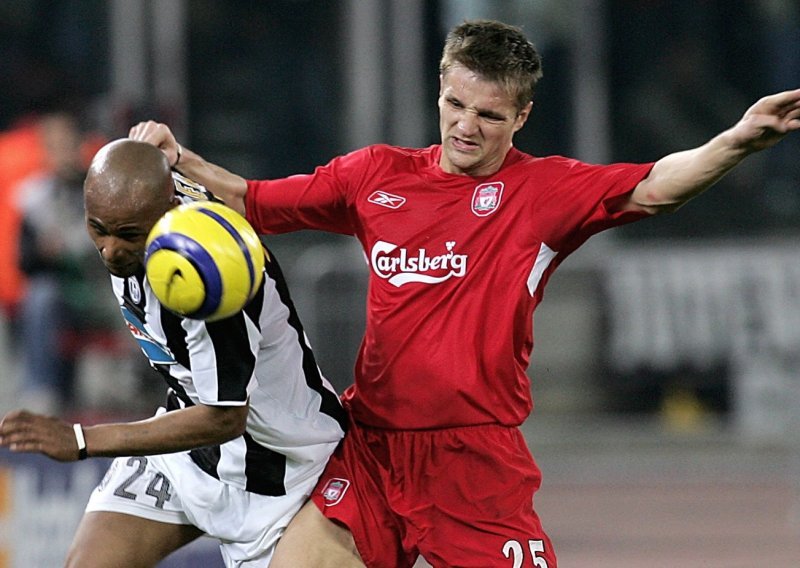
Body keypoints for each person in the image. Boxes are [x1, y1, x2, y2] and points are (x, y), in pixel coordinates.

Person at [129, 19, 800, 568]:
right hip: (374, 449)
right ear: (440, 90)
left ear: (521, 116)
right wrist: (177, 158)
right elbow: (251, 200)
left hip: (474, 462)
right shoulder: (375, 176)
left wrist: (736, 143)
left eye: (489, 114)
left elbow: (656, 185)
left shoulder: (542, 192)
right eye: (456, 104)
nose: (466, 127)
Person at [0, 139, 347, 567]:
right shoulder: (141, 200)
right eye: (98, 229)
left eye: (128, 235)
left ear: (166, 212)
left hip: (284, 469)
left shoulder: (208, 280)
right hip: (188, 456)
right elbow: (141, 168)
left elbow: (224, 416)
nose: (110, 249)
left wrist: (82, 439)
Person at [15, 112, 119, 414]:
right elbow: (24, 262)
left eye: (66, 145)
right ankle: (41, 393)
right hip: (63, 297)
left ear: (79, 146)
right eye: (53, 147)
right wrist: (45, 251)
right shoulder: (34, 197)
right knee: (40, 295)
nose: (61, 154)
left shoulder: (102, 188)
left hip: (104, 288)